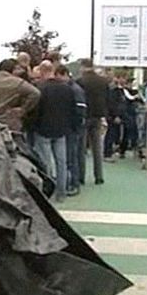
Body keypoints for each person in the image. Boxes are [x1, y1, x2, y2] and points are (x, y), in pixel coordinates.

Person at [34, 60, 78, 202]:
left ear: (41, 71)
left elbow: (36, 111)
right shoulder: (67, 89)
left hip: (43, 129)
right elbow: (73, 110)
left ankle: (48, 192)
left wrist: (33, 125)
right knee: (61, 162)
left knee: (46, 162)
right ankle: (61, 192)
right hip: (62, 129)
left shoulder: (40, 88)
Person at [0, 58, 41, 132]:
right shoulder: (17, 82)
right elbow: (36, 93)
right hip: (9, 122)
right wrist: (23, 109)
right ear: (13, 69)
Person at [55, 65, 86, 196]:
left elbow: (80, 110)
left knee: (71, 157)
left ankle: (74, 184)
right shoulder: (72, 88)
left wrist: (74, 125)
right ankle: (72, 182)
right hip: (71, 127)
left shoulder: (74, 90)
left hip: (72, 128)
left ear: (64, 74)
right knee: (70, 156)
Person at [77, 59, 108, 184]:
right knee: (97, 147)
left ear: (83, 67)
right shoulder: (102, 81)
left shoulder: (80, 81)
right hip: (97, 116)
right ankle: (99, 176)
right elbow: (106, 98)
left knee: (81, 148)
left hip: (84, 116)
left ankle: (81, 176)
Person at [104, 72, 127, 162]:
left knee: (115, 134)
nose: (124, 80)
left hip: (118, 115)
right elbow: (112, 104)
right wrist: (116, 115)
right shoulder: (113, 90)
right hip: (113, 116)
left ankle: (111, 151)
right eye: (122, 78)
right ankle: (107, 153)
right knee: (111, 134)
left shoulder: (120, 90)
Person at [120, 77, 142, 158]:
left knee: (134, 132)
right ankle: (123, 149)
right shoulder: (124, 90)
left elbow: (141, 100)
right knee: (127, 133)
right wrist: (136, 96)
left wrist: (139, 97)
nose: (130, 84)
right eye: (129, 83)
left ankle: (135, 148)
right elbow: (130, 98)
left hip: (133, 113)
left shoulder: (134, 91)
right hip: (126, 114)